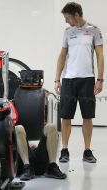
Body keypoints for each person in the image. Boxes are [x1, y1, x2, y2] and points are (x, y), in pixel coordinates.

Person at [54, 2, 104, 163]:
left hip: (87, 79)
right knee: (66, 116)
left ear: (76, 14)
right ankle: (64, 150)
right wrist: (57, 79)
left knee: (87, 116)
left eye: (67, 17)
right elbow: (62, 56)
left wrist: (100, 79)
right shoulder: (68, 32)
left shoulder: (94, 30)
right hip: (68, 79)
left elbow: (100, 56)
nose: (66, 21)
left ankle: (87, 151)